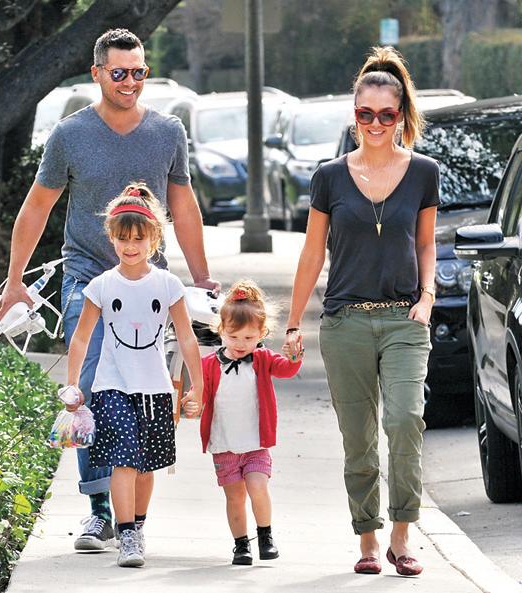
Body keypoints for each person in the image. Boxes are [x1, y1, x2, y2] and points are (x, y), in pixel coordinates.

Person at [0, 28, 219, 552]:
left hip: (149, 288)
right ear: (96, 73)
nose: (130, 82)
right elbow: (37, 206)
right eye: (119, 72)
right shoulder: (70, 135)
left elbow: (183, 206)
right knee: (92, 388)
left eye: (139, 72)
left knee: (140, 397)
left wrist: (202, 276)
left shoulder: (168, 132)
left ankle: (130, 515)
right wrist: (14, 282)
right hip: (86, 279)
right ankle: (100, 512)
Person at [284, 46, 439, 577]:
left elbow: (424, 244)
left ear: (401, 117)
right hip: (345, 321)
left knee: (405, 420)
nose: (375, 123)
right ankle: (368, 538)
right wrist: (291, 322)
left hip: (403, 319)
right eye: (365, 114)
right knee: (359, 438)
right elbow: (311, 252)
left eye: (386, 115)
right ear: (354, 116)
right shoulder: (329, 176)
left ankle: (403, 533)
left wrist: (427, 297)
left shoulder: (423, 172)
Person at [64, 183, 203, 567]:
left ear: (154, 238)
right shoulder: (101, 286)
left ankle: (137, 526)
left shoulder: (168, 285)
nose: (130, 245)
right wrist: (74, 385)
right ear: (111, 238)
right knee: (123, 461)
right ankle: (126, 535)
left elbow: (188, 340)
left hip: (156, 389)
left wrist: (199, 387)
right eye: (123, 238)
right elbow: (80, 339)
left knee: (145, 467)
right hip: (113, 387)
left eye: (138, 238)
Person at [187, 280, 303, 566]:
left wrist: (295, 354)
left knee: (257, 487)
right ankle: (241, 544)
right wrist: (191, 404)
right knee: (235, 497)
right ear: (220, 330)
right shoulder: (209, 365)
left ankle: (265, 535)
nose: (241, 344)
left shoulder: (264, 359)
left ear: (262, 334)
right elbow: (197, 395)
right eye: (234, 336)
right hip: (224, 443)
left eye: (249, 338)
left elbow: (287, 370)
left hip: (255, 443)